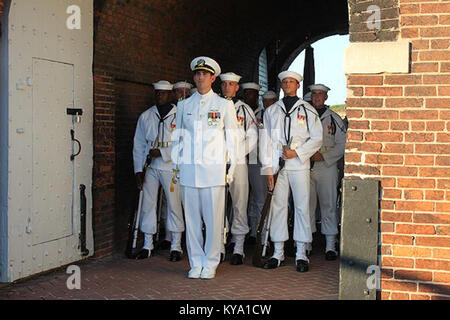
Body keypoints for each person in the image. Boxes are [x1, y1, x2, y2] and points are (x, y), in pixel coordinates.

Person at [171, 57, 239, 279]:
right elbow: (178, 139)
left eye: (205, 74)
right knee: (191, 221)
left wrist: (231, 169)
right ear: (194, 77)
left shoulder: (223, 105)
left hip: (213, 172)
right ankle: (195, 262)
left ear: (213, 78)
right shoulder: (183, 105)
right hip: (189, 172)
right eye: (197, 74)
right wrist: (176, 166)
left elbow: (233, 139)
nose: (201, 78)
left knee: (213, 220)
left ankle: (210, 262)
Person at [259, 71, 323, 273]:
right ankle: (277, 252)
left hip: (298, 164)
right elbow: (266, 141)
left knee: (302, 206)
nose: (287, 85)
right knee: (278, 206)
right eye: (284, 82)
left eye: (291, 82)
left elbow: (317, 138)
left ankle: (301, 252)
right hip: (278, 166)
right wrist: (268, 168)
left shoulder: (308, 109)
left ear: (297, 85)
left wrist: (298, 152)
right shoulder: (272, 111)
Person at [132, 80, 185, 262]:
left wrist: (163, 152)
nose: (159, 96)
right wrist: (138, 170)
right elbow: (138, 145)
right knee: (148, 204)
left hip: (171, 166)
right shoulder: (146, 116)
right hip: (151, 166)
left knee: (174, 204)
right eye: (157, 93)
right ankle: (147, 244)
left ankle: (176, 245)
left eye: (163, 93)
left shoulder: (180, 115)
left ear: (170, 95)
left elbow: (185, 143)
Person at [219, 73, 258, 265]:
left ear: (237, 88)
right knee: (217, 205)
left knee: (239, 204)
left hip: (238, 162)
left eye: (231, 84)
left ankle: (239, 247)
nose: (227, 87)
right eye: (224, 84)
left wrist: (237, 153)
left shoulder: (244, 110)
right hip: (216, 161)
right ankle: (218, 245)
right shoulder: (214, 105)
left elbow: (252, 136)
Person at [308, 84, 346, 261]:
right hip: (305, 165)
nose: (316, 98)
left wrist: (324, 157)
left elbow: (342, 144)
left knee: (328, 204)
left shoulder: (334, 118)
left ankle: (330, 244)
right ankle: (306, 243)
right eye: (314, 94)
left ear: (326, 98)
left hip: (326, 166)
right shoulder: (304, 114)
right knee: (306, 205)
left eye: (320, 95)